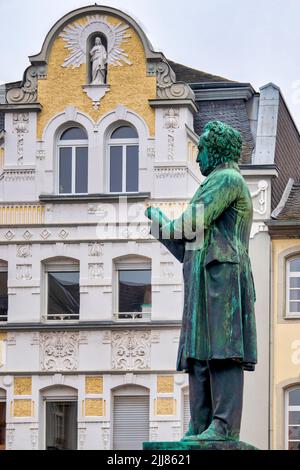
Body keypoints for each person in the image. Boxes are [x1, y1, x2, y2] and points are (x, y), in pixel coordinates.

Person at [146, 120, 257, 441]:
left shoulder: (226, 180)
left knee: (223, 352)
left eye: (202, 150)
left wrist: (165, 223)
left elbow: (188, 224)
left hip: (223, 279)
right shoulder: (215, 184)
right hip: (203, 279)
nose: (198, 159)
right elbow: (185, 246)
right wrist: (160, 227)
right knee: (199, 354)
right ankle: (200, 425)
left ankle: (222, 427)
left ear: (217, 149)